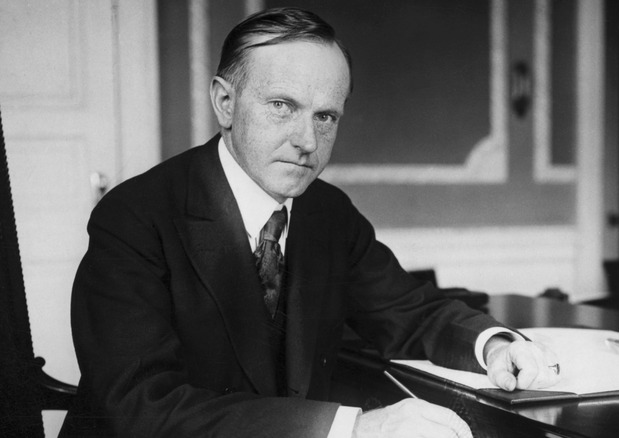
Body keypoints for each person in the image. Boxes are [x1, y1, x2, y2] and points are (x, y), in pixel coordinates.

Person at [60, 7, 560, 438]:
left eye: (326, 117)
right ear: (225, 103)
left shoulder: (328, 212)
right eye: (282, 107)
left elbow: (407, 311)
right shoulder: (134, 216)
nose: (306, 140)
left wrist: (491, 343)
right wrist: (353, 427)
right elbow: (140, 406)